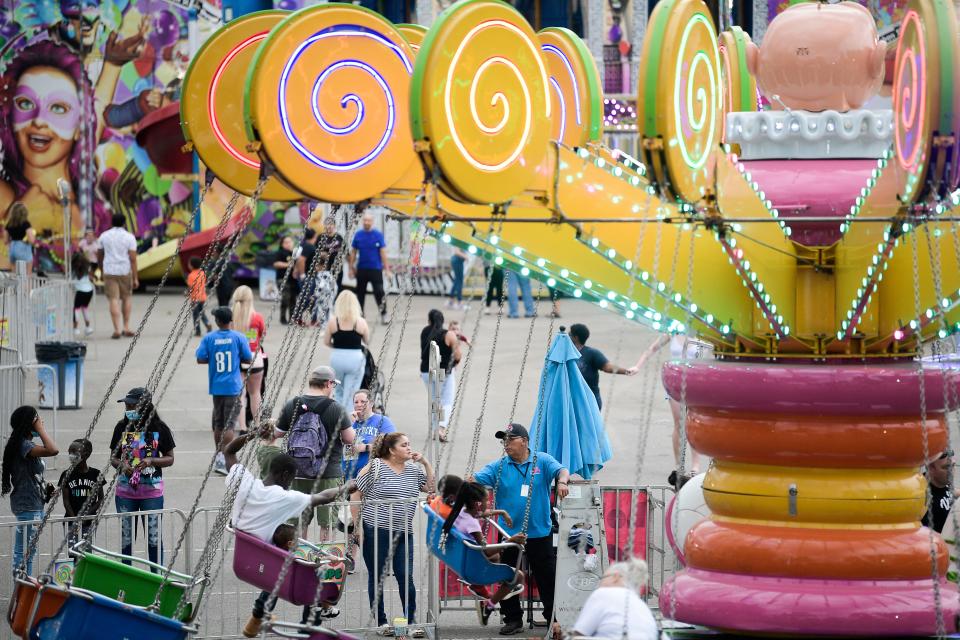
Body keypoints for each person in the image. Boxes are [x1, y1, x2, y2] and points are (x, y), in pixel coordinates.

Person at [221, 430, 356, 638]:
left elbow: (229, 450)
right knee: (318, 574)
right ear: (284, 475)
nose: (290, 484)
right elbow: (321, 497)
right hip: (267, 561)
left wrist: (254, 434)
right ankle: (307, 629)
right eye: (290, 479)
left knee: (289, 549)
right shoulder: (282, 497)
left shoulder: (244, 482)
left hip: (247, 558)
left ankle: (259, 614)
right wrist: (346, 487)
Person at [473, 423, 570, 635]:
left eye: (510, 439)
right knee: (508, 577)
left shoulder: (541, 460)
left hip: (539, 532)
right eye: (503, 440)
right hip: (509, 535)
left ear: (524, 441)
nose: (505, 444)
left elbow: (562, 470)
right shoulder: (498, 466)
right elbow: (474, 480)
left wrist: (562, 482)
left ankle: (553, 619)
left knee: (547, 577)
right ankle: (513, 619)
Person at [356, 433, 434, 635]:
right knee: (378, 577)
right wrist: (355, 528)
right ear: (391, 450)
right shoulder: (376, 466)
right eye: (404, 445)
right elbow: (356, 493)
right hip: (375, 531)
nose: (409, 448)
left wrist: (425, 463)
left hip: (403, 532)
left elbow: (431, 489)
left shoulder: (413, 470)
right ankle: (381, 623)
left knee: (405, 577)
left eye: (409, 444)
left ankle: (410, 623)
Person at [277, 366, 356, 539]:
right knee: (326, 523)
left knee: (299, 522)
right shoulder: (336, 408)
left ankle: (300, 559)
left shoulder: (293, 404)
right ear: (328, 383)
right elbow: (349, 438)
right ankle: (323, 561)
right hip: (327, 474)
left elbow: (278, 433)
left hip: (297, 472)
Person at [442, 481, 525, 626]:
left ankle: (481, 587)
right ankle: (489, 605)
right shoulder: (472, 525)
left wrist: (502, 513)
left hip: (460, 561)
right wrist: (510, 541)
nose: (489, 502)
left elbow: (482, 513)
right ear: (477, 503)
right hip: (472, 569)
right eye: (486, 500)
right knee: (518, 577)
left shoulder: (460, 511)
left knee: (497, 557)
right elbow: (485, 551)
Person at [109, 388, 175, 567]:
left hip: (152, 494)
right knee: (126, 540)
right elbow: (113, 457)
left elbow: (170, 458)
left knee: (154, 539)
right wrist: (121, 465)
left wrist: (151, 460)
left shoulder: (160, 428)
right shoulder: (121, 427)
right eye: (126, 405)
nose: (127, 409)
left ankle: (156, 577)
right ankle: (127, 576)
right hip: (125, 493)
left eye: (131, 405)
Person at [196, 307, 253, 475]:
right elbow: (248, 357)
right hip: (233, 387)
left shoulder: (209, 338)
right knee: (229, 424)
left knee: (218, 423)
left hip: (216, 387)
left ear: (217, 321)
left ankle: (219, 456)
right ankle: (228, 456)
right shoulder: (238, 337)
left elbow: (200, 358)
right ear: (231, 321)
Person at [2, 406, 59, 575]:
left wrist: (45, 490)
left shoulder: (26, 444)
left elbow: (32, 474)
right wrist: (40, 429)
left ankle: (24, 588)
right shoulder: (24, 445)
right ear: (30, 424)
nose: (41, 422)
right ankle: (20, 591)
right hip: (28, 507)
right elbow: (53, 450)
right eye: (37, 419)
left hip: (34, 504)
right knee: (24, 553)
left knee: (30, 552)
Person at [554, 558, 659, 640]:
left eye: (603, 578)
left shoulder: (603, 594)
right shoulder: (640, 604)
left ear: (616, 577)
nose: (600, 583)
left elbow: (579, 635)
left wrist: (562, 633)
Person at [568, 323, 639, 411]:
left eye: (569, 334)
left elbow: (608, 367)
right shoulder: (566, 353)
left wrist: (626, 371)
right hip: (571, 399)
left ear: (576, 337)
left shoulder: (592, 354)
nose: (567, 337)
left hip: (589, 400)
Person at [419, 309, 462, 442]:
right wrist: (454, 363)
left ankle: (435, 428)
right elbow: (458, 354)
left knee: (434, 400)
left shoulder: (425, 332)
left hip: (425, 371)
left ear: (429, 321)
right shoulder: (448, 335)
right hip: (442, 371)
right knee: (447, 401)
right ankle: (441, 428)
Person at [230, 285, 266, 434]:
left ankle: (243, 427)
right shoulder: (257, 317)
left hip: (237, 358)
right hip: (254, 357)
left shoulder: (232, 317)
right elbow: (262, 335)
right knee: (255, 393)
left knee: (240, 395)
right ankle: (257, 424)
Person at [324, 290, 370, 407]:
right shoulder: (360, 322)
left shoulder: (333, 321)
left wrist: (338, 345)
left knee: (338, 391)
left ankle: (337, 418)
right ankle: (348, 422)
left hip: (337, 358)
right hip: (355, 358)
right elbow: (366, 341)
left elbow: (326, 341)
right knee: (351, 394)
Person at [98, 213, 138, 339]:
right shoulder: (129, 237)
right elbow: (132, 258)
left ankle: (117, 329)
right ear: (124, 223)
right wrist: (135, 277)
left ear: (111, 222)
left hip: (109, 270)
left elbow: (100, 255)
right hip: (124, 270)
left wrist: (101, 269)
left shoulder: (104, 236)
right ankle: (126, 327)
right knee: (126, 298)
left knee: (113, 299)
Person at [58, 438, 104, 546]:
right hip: (71, 521)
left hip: (89, 522)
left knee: (86, 553)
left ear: (86, 454)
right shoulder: (66, 474)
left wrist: (88, 513)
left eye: (74, 452)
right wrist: (75, 519)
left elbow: (101, 498)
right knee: (73, 552)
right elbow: (66, 501)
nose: (71, 455)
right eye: (69, 452)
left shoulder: (96, 474)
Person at [348, 212, 390, 324]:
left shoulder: (378, 235)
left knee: (379, 292)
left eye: (369, 220)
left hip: (375, 269)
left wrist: (387, 269)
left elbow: (383, 252)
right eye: (365, 220)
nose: (367, 222)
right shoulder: (358, 235)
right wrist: (351, 268)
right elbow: (353, 252)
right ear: (363, 221)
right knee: (360, 293)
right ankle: (360, 315)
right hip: (362, 269)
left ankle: (384, 313)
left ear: (372, 222)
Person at [924, 449, 956, 533]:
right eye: (946, 467)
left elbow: (949, 492)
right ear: (930, 468)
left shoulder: (943, 481)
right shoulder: (920, 493)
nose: (951, 471)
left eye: (953, 465)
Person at [294, 227, 320, 324]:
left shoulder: (303, 245)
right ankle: (299, 318)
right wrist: (302, 275)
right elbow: (301, 260)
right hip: (308, 276)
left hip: (310, 275)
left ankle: (305, 318)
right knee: (308, 298)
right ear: (314, 236)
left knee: (306, 297)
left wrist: (296, 270)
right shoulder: (309, 246)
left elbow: (298, 259)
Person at [4, 202, 36, 273]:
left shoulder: (9, 224)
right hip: (23, 248)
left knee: (14, 274)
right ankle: (26, 284)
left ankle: (15, 284)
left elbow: (5, 241)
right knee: (28, 274)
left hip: (12, 248)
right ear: (24, 212)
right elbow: (31, 240)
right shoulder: (26, 223)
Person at [274, 235, 298, 324]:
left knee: (293, 299)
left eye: (290, 242)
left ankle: (292, 319)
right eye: (286, 242)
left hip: (293, 280)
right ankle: (282, 318)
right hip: (282, 279)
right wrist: (288, 265)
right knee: (285, 298)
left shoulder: (295, 253)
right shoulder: (280, 252)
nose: (288, 244)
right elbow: (276, 264)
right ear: (282, 244)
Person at [317, 215, 345, 291]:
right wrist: (322, 254)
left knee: (337, 288)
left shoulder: (339, 237)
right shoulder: (321, 237)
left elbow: (345, 252)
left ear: (334, 225)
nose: (329, 226)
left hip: (337, 268)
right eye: (327, 224)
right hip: (324, 268)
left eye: (331, 224)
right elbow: (315, 252)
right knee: (325, 289)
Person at [186, 256, 211, 336]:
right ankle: (208, 323)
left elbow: (191, 287)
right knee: (202, 313)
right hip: (203, 297)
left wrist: (186, 293)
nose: (188, 265)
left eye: (189, 264)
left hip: (195, 299)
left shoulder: (191, 275)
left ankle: (198, 331)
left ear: (192, 266)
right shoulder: (202, 273)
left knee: (195, 315)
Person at [72, 253, 94, 337]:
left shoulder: (73, 270)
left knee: (76, 309)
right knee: (84, 308)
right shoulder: (87, 267)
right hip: (89, 290)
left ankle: (75, 328)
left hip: (80, 291)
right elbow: (91, 277)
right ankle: (88, 327)